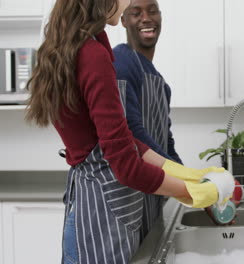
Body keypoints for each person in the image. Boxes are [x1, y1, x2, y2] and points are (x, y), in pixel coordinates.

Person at [24, 0, 229, 263]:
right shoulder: (94, 56)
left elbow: (125, 141)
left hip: (95, 211)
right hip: (101, 220)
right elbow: (126, 166)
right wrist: (196, 193)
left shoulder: (80, 47)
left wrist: (189, 175)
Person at [112, 0, 181, 237]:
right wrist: (186, 182)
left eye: (153, 11)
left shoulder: (162, 86)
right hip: (125, 206)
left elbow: (166, 145)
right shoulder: (120, 61)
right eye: (136, 13)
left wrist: (196, 182)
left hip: (151, 203)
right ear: (123, 20)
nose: (146, 18)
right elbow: (132, 134)